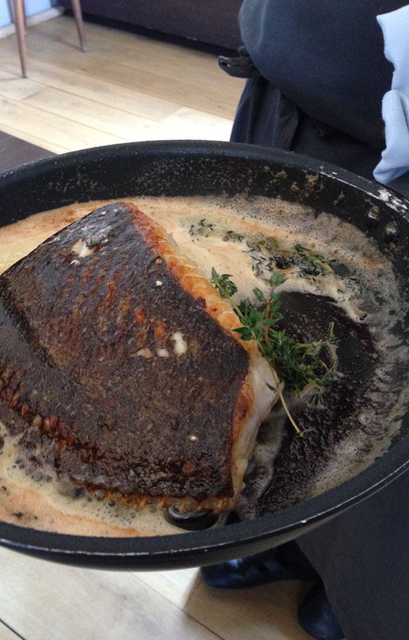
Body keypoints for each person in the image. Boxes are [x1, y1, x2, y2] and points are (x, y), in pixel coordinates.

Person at [202, 2, 409, 640]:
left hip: (394, 163)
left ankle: (351, 586)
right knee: (255, 346)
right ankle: (280, 536)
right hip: (287, 82)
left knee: (379, 424)